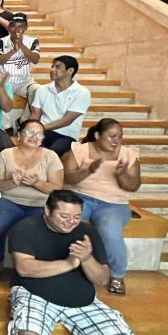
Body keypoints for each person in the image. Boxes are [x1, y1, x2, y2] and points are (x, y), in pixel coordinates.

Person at [7, 190, 137, 335]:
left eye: (77, 217)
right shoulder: (25, 228)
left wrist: (86, 259)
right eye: (64, 216)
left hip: (82, 300)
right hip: (35, 295)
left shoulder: (87, 232)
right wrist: (69, 263)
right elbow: (24, 268)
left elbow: (103, 279)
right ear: (47, 210)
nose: (71, 222)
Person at [63, 119, 141, 295]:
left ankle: (117, 275)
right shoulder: (80, 150)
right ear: (98, 135)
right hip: (79, 197)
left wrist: (121, 175)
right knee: (69, 222)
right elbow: (66, 177)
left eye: (120, 137)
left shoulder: (128, 155)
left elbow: (134, 186)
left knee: (109, 229)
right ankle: (68, 268)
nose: (116, 140)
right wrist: (88, 171)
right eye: (112, 136)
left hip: (113, 204)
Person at [0, 120, 64, 261]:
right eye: (30, 133)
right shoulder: (6, 154)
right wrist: (13, 182)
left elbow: (57, 188)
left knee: (35, 233)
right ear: (19, 134)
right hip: (9, 201)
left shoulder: (50, 156)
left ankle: (32, 265)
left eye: (39, 135)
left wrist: (37, 183)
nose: (34, 137)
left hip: (40, 204)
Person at [30, 55, 92, 157]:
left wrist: (40, 128)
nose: (52, 70)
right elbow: (35, 114)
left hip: (66, 135)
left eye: (57, 67)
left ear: (70, 71)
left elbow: (67, 120)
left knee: (52, 153)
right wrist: (29, 130)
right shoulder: (42, 89)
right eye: (52, 66)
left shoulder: (82, 92)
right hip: (43, 132)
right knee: (30, 146)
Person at [0, 13, 41, 124]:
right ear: (9, 27)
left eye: (21, 26)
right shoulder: (1, 41)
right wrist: (14, 50)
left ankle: (23, 122)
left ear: (26, 27)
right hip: (5, 80)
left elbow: (35, 59)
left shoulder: (33, 41)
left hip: (25, 82)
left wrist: (22, 46)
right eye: (14, 26)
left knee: (39, 91)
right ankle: (7, 127)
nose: (17, 29)